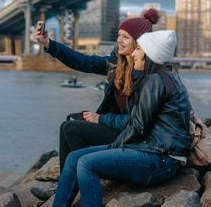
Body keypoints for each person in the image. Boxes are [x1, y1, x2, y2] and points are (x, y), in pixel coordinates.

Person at [51, 30, 192, 207]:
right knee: (73, 158)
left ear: (150, 55)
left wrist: (112, 148)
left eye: (138, 50)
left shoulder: (155, 81)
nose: (133, 54)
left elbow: (137, 126)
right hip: (148, 148)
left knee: (86, 164)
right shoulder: (155, 78)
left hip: (161, 159)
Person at [30, 10, 159, 201]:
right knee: (69, 124)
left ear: (140, 43)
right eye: (119, 36)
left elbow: (139, 124)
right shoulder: (116, 63)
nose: (119, 41)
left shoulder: (148, 76)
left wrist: (101, 118)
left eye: (126, 37)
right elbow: (84, 62)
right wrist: (49, 44)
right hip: (120, 127)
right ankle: (66, 184)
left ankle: (81, 178)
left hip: (136, 137)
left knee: (73, 130)